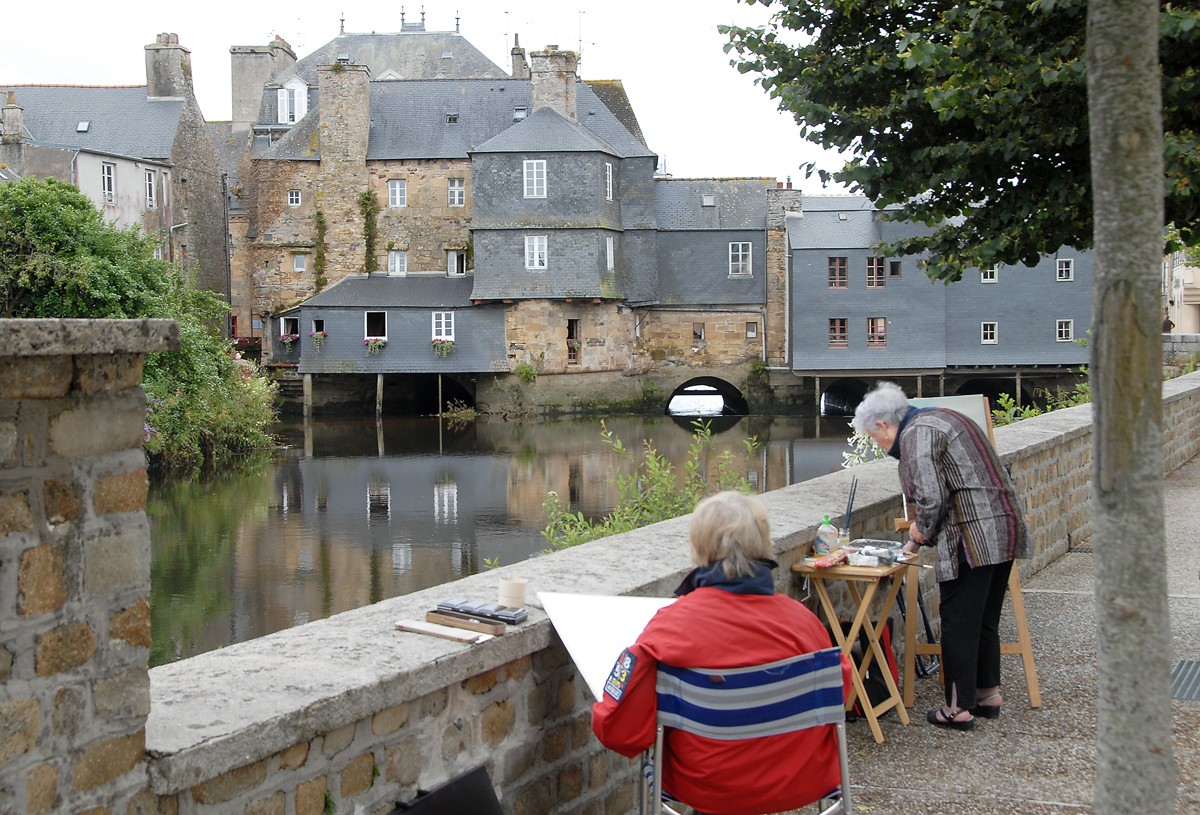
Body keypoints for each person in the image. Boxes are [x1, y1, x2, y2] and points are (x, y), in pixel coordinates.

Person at [591, 491, 852, 815]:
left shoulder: (668, 629)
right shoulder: (805, 624)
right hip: (797, 783)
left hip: (703, 788)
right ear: (763, 547)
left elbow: (618, 731)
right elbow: (839, 695)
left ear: (700, 550)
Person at [853, 382, 1030, 731]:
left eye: (876, 438)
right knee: (983, 619)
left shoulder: (917, 435)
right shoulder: (943, 417)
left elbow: (931, 498)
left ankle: (957, 708)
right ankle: (987, 693)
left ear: (884, 425)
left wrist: (916, 539)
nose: (880, 445)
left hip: (972, 536)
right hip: (1003, 528)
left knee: (958, 621)